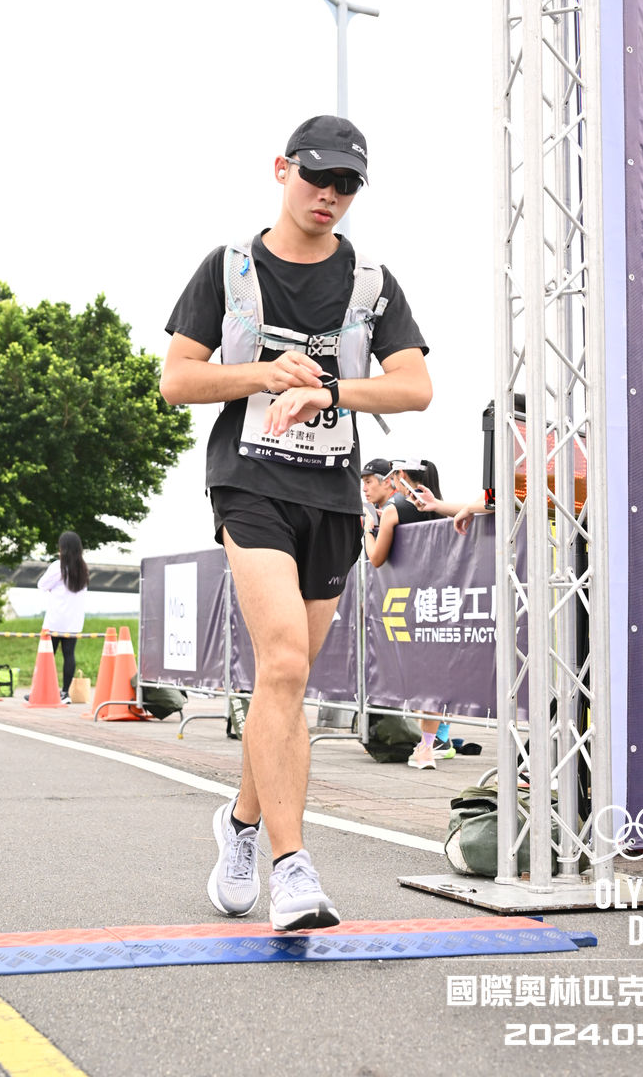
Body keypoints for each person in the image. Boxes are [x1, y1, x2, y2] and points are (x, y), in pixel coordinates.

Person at [160, 114, 431, 930]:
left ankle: (241, 822)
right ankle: (293, 870)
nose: (330, 194)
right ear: (282, 170)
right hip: (248, 483)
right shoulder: (229, 269)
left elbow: (414, 388)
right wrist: (262, 375)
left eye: (347, 184)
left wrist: (328, 390)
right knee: (280, 660)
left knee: (287, 682)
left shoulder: (372, 283)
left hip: (332, 496)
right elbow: (177, 380)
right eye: (317, 176)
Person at [363, 460, 471, 770]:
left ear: (401, 477)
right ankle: (429, 745)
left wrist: (367, 531)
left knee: (415, 675)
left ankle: (426, 747)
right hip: (440, 598)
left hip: (405, 601)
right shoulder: (441, 509)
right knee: (434, 677)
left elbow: (376, 558)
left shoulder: (394, 510)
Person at [36, 531, 89, 704]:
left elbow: (41, 585)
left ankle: (42, 692)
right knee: (69, 655)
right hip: (73, 621)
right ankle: (65, 693)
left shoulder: (57, 566)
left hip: (55, 620)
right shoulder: (83, 568)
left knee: (46, 656)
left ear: (62, 548)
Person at [360, 457, 394, 535]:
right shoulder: (375, 506)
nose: (364, 489)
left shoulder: (398, 506)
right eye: (364, 483)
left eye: (368, 482)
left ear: (386, 482)